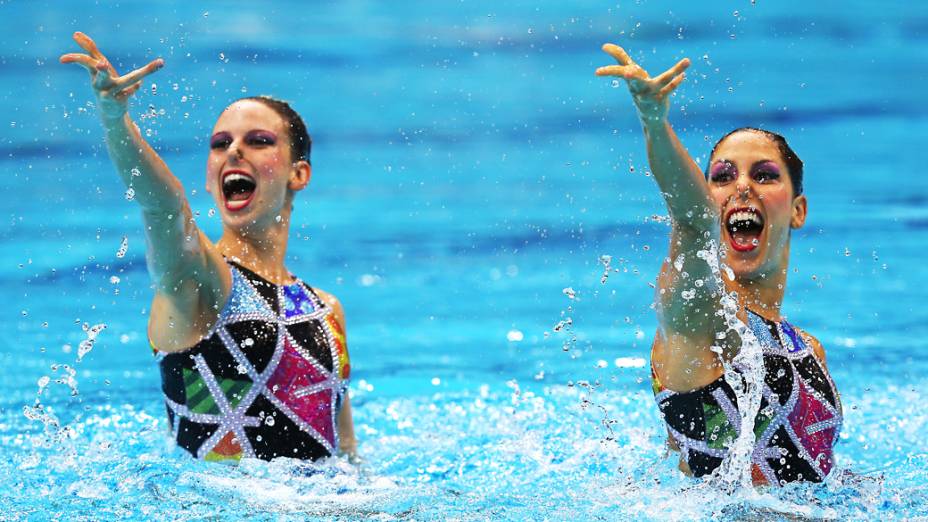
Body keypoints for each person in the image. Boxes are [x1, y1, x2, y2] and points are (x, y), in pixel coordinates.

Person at [60, 32, 357, 463]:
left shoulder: (326, 311)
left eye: (258, 141)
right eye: (220, 144)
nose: (233, 150)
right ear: (208, 177)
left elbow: (346, 454)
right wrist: (114, 118)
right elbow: (164, 206)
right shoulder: (198, 281)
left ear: (298, 174)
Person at [596, 44, 841, 485]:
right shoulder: (703, 318)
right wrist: (655, 123)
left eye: (764, 175)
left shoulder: (808, 349)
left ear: (798, 210)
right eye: (723, 177)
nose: (742, 187)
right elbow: (692, 224)